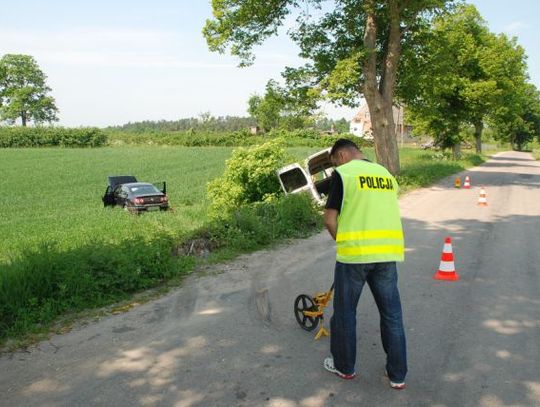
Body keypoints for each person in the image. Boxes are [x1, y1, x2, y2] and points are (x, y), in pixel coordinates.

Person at [322, 138, 407, 389]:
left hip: (355, 257)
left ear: (340, 156)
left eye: (334, 161)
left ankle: (345, 367)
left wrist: (343, 240)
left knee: (345, 315)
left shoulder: (344, 173)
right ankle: (397, 376)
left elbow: (329, 219)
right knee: (392, 316)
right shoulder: (385, 174)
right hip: (387, 255)